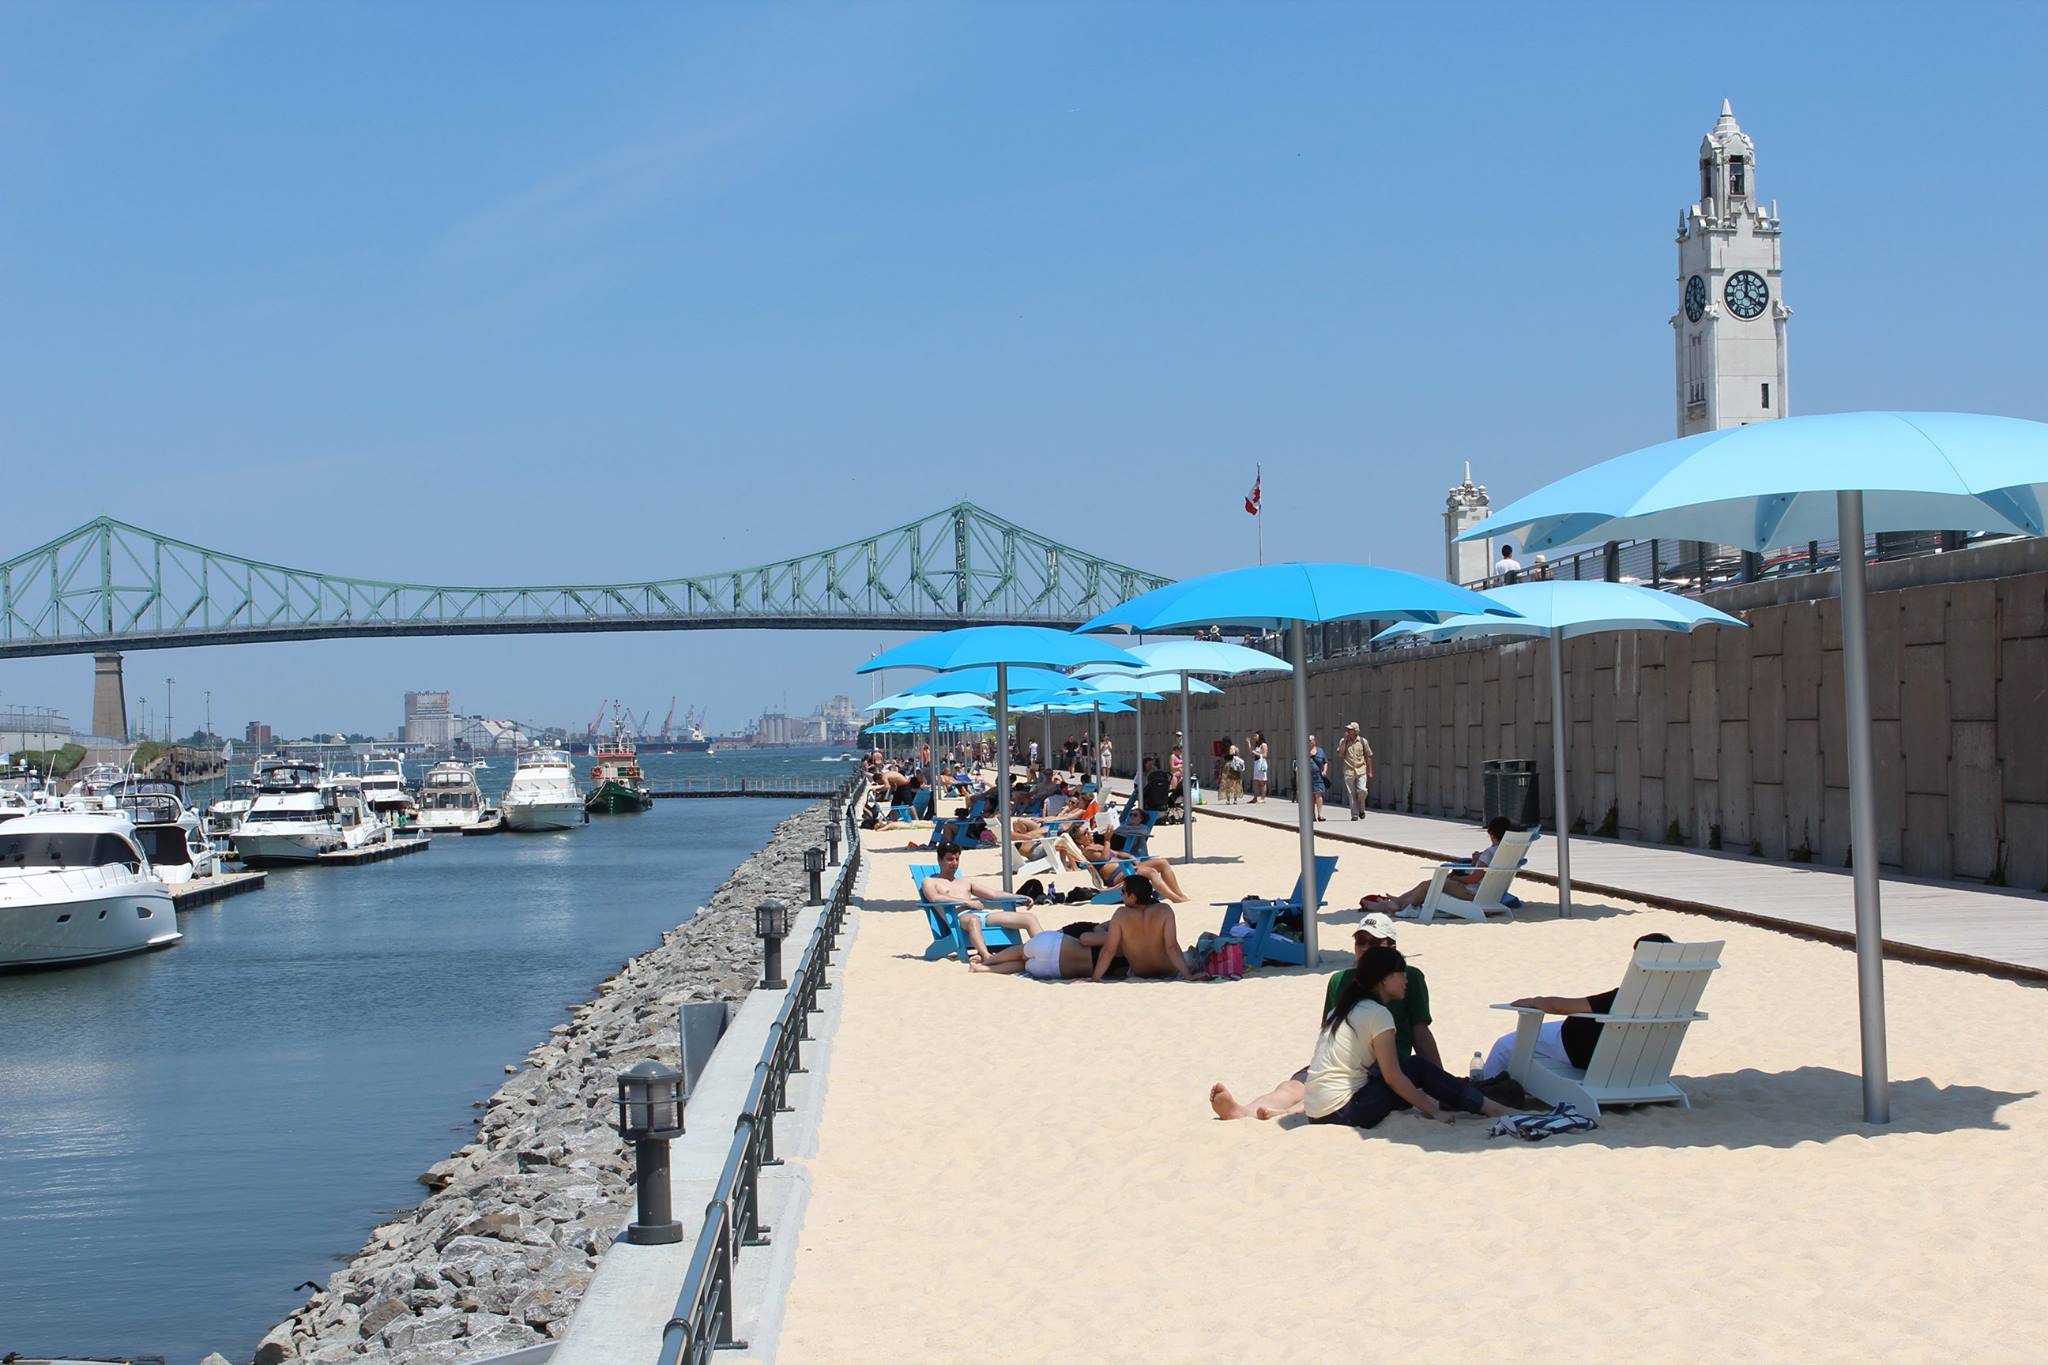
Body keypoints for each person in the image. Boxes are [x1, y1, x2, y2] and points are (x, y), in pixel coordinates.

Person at [1210, 914, 1436, 1120]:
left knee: (1332, 1090)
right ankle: (1242, 1111)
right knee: (1292, 1086)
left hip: (1384, 1066)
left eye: (1375, 943)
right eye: (1361, 942)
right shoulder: (1339, 980)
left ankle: (1287, 1111)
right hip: (1340, 1064)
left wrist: (1437, 1078)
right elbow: (1329, 1034)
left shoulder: (1408, 979)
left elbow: (1420, 1032)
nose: (1366, 948)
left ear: (1392, 948)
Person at [1299, 946, 1518, 1130]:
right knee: (1416, 1067)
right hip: (1344, 1111)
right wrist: (1433, 1112)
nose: (1406, 979)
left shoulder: (1342, 1009)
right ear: (1385, 980)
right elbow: (1393, 1076)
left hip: (1316, 1112)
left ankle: (1474, 1101)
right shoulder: (1378, 1014)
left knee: (1407, 1067)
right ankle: (1491, 1108)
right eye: (1401, 973)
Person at [1479, 933, 1675, 1079]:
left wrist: (1534, 1001)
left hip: (1577, 1048)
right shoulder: (1674, 998)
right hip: (1633, 1061)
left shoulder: (1625, 997)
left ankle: (1484, 1089)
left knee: (1505, 1045)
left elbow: (1560, 1007)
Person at [919, 842, 1046, 962]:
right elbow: (934, 898)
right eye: (950, 859)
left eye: (957, 859)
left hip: (981, 915)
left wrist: (1019, 897)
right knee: (974, 920)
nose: (954, 863)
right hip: (958, 919)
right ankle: (986, 956)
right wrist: (966, 902)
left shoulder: (965, 881)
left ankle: (1047, 951)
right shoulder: (930, 881)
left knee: (1029, 918)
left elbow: (993, 894)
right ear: (940, 860)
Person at [1361, 816, 1514, 915]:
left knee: (1431, 884)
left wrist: (1457, 878)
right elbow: (1483, 874)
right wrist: (1475, 861)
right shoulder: (1505, 854)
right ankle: (1399, 900)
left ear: (1492, 834)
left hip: (1470, 892)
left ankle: (1399, 905)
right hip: (1488, 893)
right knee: (1428, 883)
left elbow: (1474, 878)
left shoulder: (1488, 854)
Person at [1089, 874, 1198, 981]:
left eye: (1123, 892)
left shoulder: (1121, 914)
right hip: (1169, 970)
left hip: (1141, 973)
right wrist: (1188, 976)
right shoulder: (1164, 910)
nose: (1121, 896)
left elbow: (1109, 951)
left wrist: (1095, 978)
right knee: (1193, 954)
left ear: (1132, 897)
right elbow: (1172, 947)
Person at [1072, 823, 1190, 901]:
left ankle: (1179, 894)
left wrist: (1132, 857)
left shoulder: (1096, 845)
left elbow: (1117, 853)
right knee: (1151, 872)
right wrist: (1107, 839)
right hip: (1117, 876)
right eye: (1085, 833)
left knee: (1162, 862)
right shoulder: (1088, 850)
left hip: (1126, 867)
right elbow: (1104, 858)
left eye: (1088, 831)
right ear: (1079, 840)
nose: (1089, 833)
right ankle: (1175, 898)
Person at [1335, 722, 1374, 821]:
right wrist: (1344, 742)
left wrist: (1370, 771)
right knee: (1351, 794)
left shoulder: (1362, 741)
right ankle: (1355, 814)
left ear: (1356, 731)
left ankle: (1362, 808)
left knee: (1362, 790)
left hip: (1361, 769)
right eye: (1347, 729)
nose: (1348, 731)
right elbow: (1340, 754)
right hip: (1349, 770)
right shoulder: (1343, 741)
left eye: (1350, 729)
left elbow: (1368, 756)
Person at [1306, 733, 1329, 820]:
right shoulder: (1304, 751)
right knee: (1310, 796)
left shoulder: (1320, 751)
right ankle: (1312, 815)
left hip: (1318, 776)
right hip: (1308, 777)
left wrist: (1325, 771)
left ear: (1314, 741)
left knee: (1318, 795)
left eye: (1310, 741)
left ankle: (1320, 815)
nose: (1309, 742)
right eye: (1307, 741)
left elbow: (1325, 761)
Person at [1249, 732, 1269, 802]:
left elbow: (1265, 755)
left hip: (1261, 764)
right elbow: (1252, 752)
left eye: (1256, 735)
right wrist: (1249, 743)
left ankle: (1263, 798)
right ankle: (1255, 798)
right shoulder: (1257, 745)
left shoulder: (1263, 745)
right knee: (1255, 781)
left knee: (1262, 781)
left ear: (1260, 736)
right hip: (1256, 763)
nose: (1254, 737)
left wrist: (1256, 753)